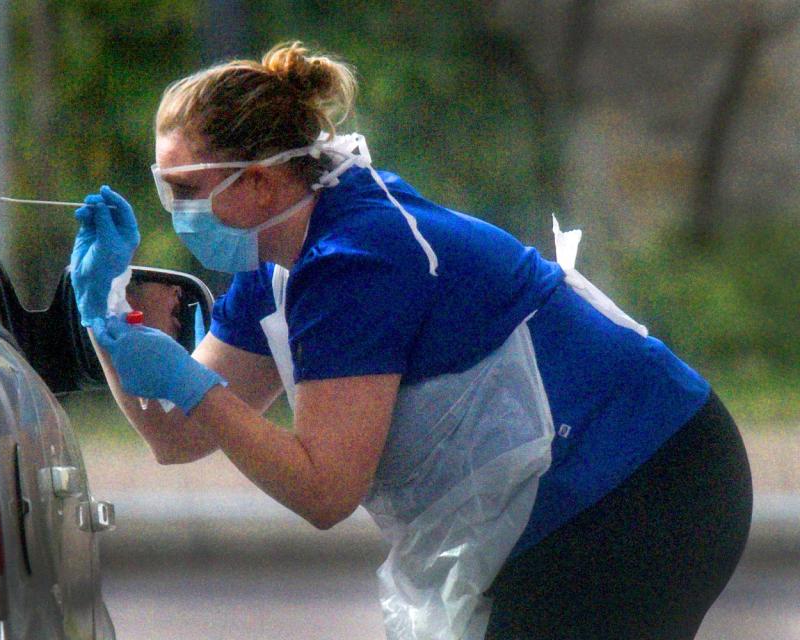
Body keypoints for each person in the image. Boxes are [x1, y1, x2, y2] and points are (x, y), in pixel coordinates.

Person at [69, 42, 753, 640]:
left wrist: (193, 384)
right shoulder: (273, 262)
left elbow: (324, 491)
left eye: (186, 189)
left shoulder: (356, 258)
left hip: (647, 477)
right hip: (589, 489)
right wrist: (102, 313)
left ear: (260, 180)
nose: (172, 211)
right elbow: (176, 438)